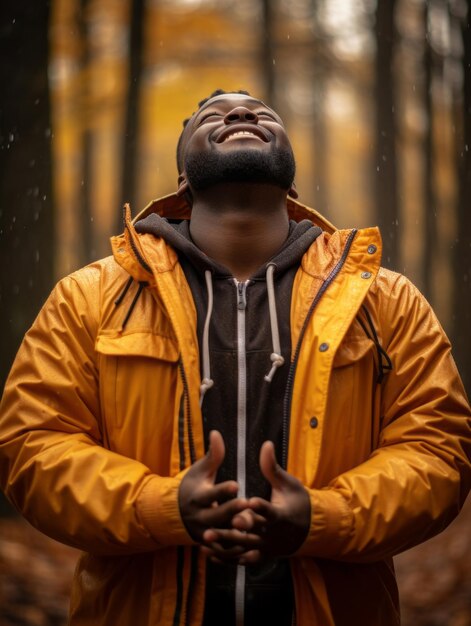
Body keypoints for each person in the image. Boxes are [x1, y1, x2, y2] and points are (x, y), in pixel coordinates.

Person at [0, 88, 470, 626]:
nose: (242, 114)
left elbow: (440, 448)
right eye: (213, 117)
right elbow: (30, 444)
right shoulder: (88, 298)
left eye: (261, 114)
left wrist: (324, 518)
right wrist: (162, 507)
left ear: (291, 181)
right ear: (183, 181)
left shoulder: (386, 302)